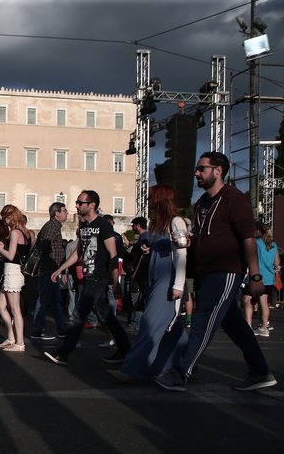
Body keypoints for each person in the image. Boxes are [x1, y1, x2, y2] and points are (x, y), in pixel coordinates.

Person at [155, 152, 277, 391]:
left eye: (202, 168)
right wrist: (189, 242)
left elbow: (248, 240)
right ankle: (261, 372)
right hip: (205, 271)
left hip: (226, 270)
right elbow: (203, 237)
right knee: (233, 323)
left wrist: (255, 276)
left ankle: (182, 371)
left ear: (218, 170)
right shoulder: (201, 202)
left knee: (203, 319)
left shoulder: (234, 198)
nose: (196, 173)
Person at [108, 185, 188, 382]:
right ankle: (179, 363)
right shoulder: (157, 224)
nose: (149, 201)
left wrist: (178, 285)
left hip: (167, 280)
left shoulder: (176, 222)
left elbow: (182, 253)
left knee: (150, 324)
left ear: (160, 200)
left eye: (152, 198)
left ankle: (132, 369)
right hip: (156, 279)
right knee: (173, 329)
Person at [43, 191, 131, 366]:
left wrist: (115, 281)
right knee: (107, 316)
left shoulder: (104, 226)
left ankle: (64, 353)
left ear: (92, 205)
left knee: (78, 314)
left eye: (80, 202)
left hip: (99, 277)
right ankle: (125, 349)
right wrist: (61, 268)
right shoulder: (83, 227)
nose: (76, 205)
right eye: (76, 202)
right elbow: (78, 253)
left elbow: (113, 255)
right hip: (88, 276)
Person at [0, 205, 31, 352]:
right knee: (1, 306)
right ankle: (11, 337)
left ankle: (20, 343)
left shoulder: (15, 232)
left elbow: (11, 256)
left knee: (15, 309)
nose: (5, 221)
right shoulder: (25, 232)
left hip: (13, 272)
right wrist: (3, 247)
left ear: (12, 216)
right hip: (13, 272)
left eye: (6, 218)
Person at [30, 202, 69, 340]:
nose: (67, 212)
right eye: (64, 210)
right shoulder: (52, 227)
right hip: (49, 269)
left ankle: (61, 329)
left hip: (52, 269)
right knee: (45, 300)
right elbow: (43, 246)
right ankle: (37, 330)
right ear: (56, 213)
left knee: (54, 300)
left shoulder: (53, 226)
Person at [242, 225, 279, 337]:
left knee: (247, 299)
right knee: (264, 303)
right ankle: (264, 328)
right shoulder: (274, 245)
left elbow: (249, 256)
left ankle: (248, 327)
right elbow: (276, 263)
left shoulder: (256, 242)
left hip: (256, 276)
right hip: (269, 278)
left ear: (259, 232)